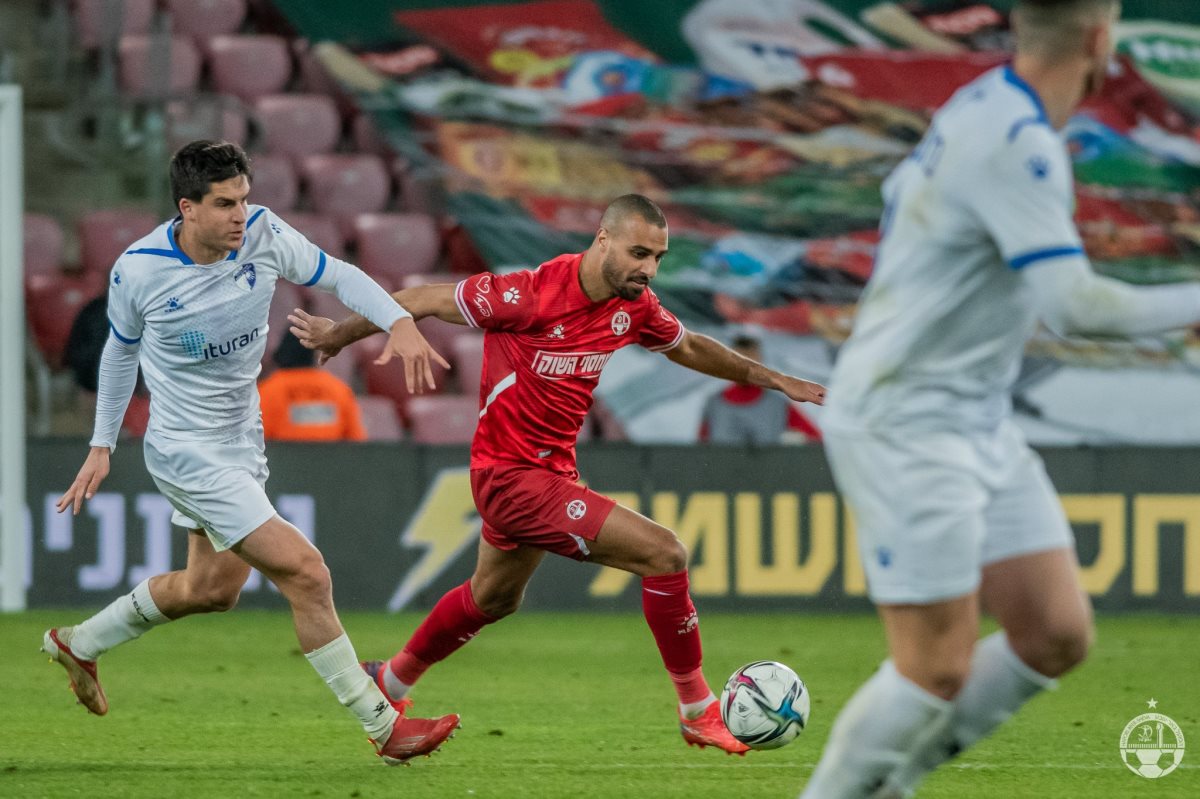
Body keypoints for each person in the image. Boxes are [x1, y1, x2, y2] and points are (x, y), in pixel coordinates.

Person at [803, 1, 1200, 796]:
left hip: (972, 414)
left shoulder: (988, 103)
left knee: (1053, 632)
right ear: (1101, 40)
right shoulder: (1015, 142)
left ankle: (889, 783)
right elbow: (1079, 306)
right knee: (934, 666)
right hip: (907, 416)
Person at [290, 194, 826, 754]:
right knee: (664, 555)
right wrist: (338, 336)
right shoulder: (525, 294)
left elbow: (688, 345)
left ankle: (390, 681)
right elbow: (418, 298)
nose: (649, 268)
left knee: (492, 598)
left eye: (659, 257)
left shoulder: (634, 306)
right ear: (603, 239)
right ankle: (697, 708)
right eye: (638, 252)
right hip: (509, 478)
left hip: (552, 475)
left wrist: (774, 379)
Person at [46, 140, 457, 765]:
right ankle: (383, 727)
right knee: (307, 572)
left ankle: (78, 642)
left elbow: (339, 273)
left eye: (244, 198)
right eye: (223, 204)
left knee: (211, 590)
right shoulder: (140, 269)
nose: (240, 214)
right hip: (185, 449)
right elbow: (120, 352)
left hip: (242, 437)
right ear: (187, 208)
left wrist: (399, 322)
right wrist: (102, 444)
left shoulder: (264, 233)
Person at [698, 331, 821, 445]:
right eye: (738, 359)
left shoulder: (778, 405)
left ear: (760, 361)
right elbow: (700, 451)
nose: (744, 368)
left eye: (750, 360)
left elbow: (816, 440)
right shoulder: (713, 404)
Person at [259, 331, 366, 441]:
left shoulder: (268, 390)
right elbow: (356, 443)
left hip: (281, 457)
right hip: (330, 457)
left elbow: (258, 440)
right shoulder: (338, 389)